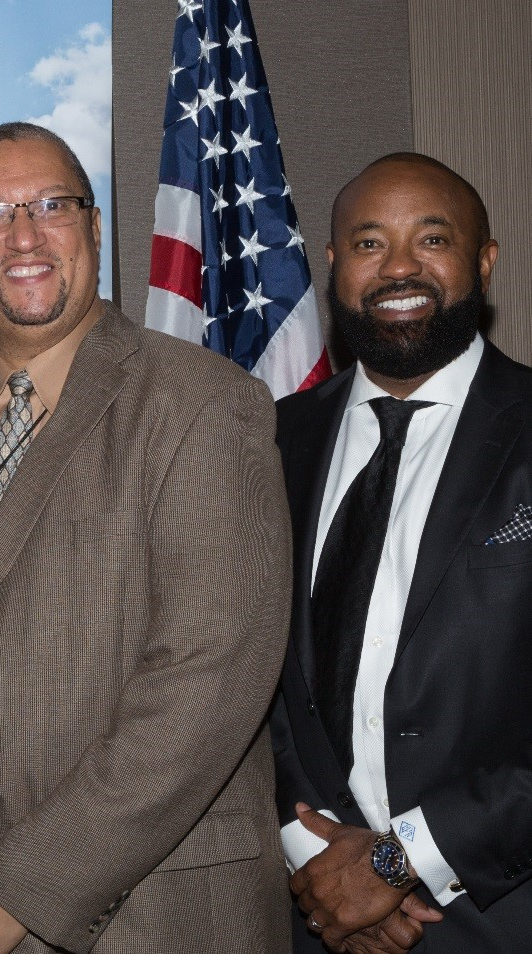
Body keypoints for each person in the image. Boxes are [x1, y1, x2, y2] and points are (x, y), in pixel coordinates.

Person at [0, 120, 293, 954]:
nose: (25, 235)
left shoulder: (203, 404)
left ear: (93, 229)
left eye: (52, 205)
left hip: (155, 920)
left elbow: (209, 676)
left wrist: (21, 887)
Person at [271, 152, 532, 953]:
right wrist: (321, 863)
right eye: (369, 243)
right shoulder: (266, 442)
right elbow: (234, 684)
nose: (400, 268)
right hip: (311, 914)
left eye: (432, 239)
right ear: (333, 265)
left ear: (483, 261)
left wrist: (395, 862)